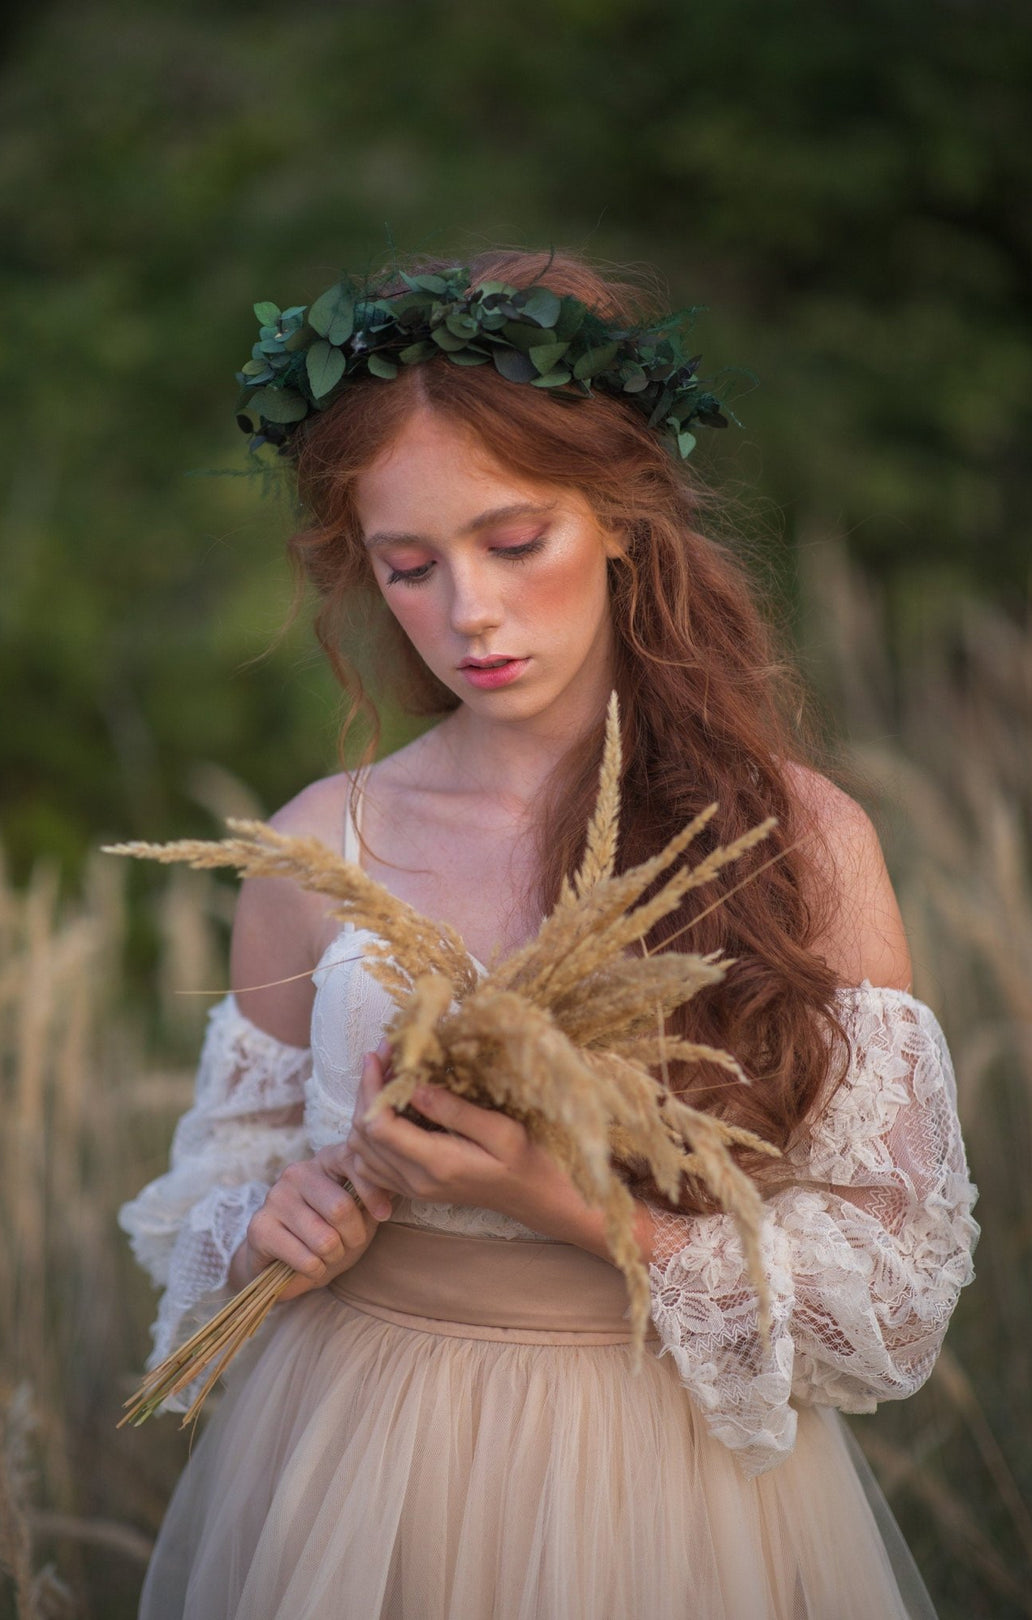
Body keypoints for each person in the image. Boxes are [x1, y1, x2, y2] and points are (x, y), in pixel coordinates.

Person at [120, 250, 978, 1620]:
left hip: (664, 1484)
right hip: (352, 1455)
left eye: (516, 543)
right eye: (408, 567)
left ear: (624, 518)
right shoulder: (313, 853)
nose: (469, 614)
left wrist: (577, 1208)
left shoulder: (798, 846)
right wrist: (268, 1224)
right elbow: (205, 1201)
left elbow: (890, 1297)